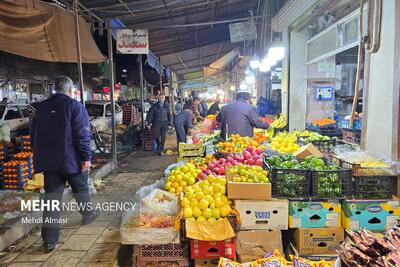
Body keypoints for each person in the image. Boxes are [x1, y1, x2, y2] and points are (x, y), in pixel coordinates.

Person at [31, 76, 99, 253]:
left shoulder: (41, 108)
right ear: (70, 90)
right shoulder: (74, 106)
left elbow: (33, 136)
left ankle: (49, 241)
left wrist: (40, 159)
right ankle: (88, 215)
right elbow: (82, 134)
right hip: (71, 161)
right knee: (81, 189)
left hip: (50, 163)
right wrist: (86, 157)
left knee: (51, 201)